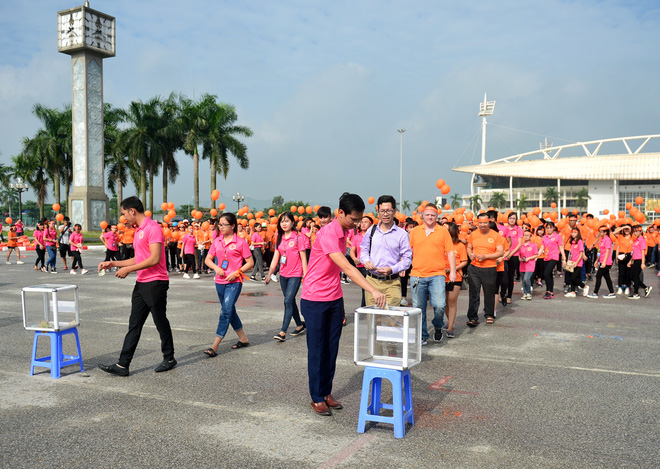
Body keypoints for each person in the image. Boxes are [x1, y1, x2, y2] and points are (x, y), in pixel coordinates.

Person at [301, 193, 386, 416]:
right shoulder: (328, 233)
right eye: (354, 219)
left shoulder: (345, 231)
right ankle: (316, 397)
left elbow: (353, 259)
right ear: (340, 213)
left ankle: (326, 391)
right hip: (314, 298)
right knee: (317, 350)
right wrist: (373, 289)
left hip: (334, 298)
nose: (357, 224)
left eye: (360, 220)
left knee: (332, 348)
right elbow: (347, 269)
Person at [98, 196, 176, 376]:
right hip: (142, 283)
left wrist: (129, 270)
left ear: (132, 211)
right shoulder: (139, 230)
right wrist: (114, 264)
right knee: (134, 325)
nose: (124, 218)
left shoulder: (153, 228)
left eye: (124, 213)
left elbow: (155, 258)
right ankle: (122, 365)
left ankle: (169, 357)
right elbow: (139, 258)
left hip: (156, 283)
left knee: (160, 321)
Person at [203, 212, 254, 357]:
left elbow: (250, 262)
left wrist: (237, 272)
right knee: (230, 310)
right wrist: (216, 268)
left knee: (225, 311)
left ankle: (215, 345)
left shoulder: (241, 242)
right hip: (219, 281)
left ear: (232, 226)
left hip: (234, 282)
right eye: (219, 224)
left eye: (224, 224)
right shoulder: (217, 241)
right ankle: (243, 338)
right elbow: (208, 259)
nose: (221, 227)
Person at [408, 203, 456, 342]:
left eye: (433, 215)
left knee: (440, 305)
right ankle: (423, 336)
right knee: (419, 308)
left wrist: (452, 271)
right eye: (427, 215)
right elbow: (406, 251)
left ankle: (437, 326)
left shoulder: (443, 231)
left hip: (437, 274)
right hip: (417, 274)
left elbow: (450, 252)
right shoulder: (415, 231)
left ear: (437, 217)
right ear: (422, 216)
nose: (430, 217)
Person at [359, 195, 413, 308]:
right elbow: (363, 250)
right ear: (378, 211)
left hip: (392, 283)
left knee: (392, 320)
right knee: (373, 319)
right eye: (382, 211)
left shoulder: (402, 234)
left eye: (388, 210)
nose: (385, 214)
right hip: (371, 281)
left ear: (394, 211)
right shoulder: (371, 230)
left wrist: (392, 269)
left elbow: (407, 259)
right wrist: (366, 261)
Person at [265, 212, 307, 341]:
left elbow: (304, 259)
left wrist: (306, 276)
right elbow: (275, 258)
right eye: (282, 221)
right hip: (283, 275)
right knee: (290, 301)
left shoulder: (298, 238)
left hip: (295, 274)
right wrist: (269, 274)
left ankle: (283, 331)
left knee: (288, 301)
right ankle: (300, 325)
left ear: (293, 223)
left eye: (287, 221)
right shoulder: (279, 237)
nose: (284, 223)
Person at [466, 212, 504, 326]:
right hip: (474, 267)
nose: (482, 225)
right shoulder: (474, 234)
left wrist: (486, 256)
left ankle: (489, 314)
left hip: (489, 268)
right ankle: (472, 317)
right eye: (480, 222)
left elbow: (500, 252)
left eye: (485, 222)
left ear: (489, 222)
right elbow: (469, 247)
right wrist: (470, 254)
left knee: (489, 292)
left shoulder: (495, 235)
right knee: (474, 292)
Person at [444, 222, 467, 338]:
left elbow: (464, 261)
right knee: (443, 302)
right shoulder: (440, 244)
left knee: (452, 301)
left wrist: (452, 269)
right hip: (441, 277)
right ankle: (450, 321)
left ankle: (450, 328)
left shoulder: (460, 246)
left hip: (455, 277)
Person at [587, 224, 616, 299]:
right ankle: (612, 292)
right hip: (602, 260)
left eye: (601, 232)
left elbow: (607, 251)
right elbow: (600, 252)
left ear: (605, 232)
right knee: (607, 277)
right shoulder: (602, 239)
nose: (599, 233)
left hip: (606, 262)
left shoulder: (607, 240)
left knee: (598, 276)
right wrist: (597, 261)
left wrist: (604, 262)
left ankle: (595, 292)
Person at [350, 215, 373, 307]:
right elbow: (352, 251)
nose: (363, 224)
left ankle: (366, 307)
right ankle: (364, 308)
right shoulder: (356, 237)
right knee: (365, 289)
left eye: (366, 222)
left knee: (368, 289)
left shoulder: (373, 236)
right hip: (360, 266)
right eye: (362, 222)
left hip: (371, 266)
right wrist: (354, 259)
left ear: (371, 225)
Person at [538, 222, 565, 299]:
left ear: (553, 228)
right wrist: (537, 256)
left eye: (550, 227)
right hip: (546, 257)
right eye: (548, 228)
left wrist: (564, 257)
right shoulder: (545, 237)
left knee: (546, 273)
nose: (549, 229)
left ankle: (549, 290)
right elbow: (542, 247)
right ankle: (549, 291)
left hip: (554, 257)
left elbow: (560, 247)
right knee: (549, 274)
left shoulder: (557, 236)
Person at [503, 212, 522, 303]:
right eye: (510, 218)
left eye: (514, 218)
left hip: (514, 255)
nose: (512, 220)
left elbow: (519, 244)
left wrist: (511, 254)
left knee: (510, 276)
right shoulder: (504, 229)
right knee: (503, 276)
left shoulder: (518, 229)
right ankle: (502, 294)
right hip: (504, 255)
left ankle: (509, 296)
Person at [628, 225, 651, 299]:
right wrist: (630, 261)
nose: (635, 233)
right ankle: (646, 287)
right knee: (632, 276)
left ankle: (636, 293)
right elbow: (634, 252)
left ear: (641, 231)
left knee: (635, 277)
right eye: (634, 232)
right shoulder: (636, 240)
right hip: (635, 259)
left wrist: (643, 263)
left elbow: (643, 252)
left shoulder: (642, 240)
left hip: (639, 260)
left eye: (636, 231)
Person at [564, 228, 588, 297]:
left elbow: (581, 253)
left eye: (575, 232)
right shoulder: (572, 242)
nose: (573, 234)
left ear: (578, 233)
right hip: (571, 261)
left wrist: (577, 262)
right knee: (571, 276)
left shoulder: (580, 241)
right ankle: (572, 291)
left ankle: (584, 286)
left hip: (578, 263)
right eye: (572, 232)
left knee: (574, 277)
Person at [519, 229, 539, 300]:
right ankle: (525, 293)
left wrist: (529, 258)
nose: (526, 237)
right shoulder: (520, 245)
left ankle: (528, 292)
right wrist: (519, 258)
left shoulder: (533, 245)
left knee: (526, 279)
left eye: (527, 235)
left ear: (530, 236)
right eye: (525, 235)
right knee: (523, 280)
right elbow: (518, 254)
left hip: (530, 264)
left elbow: (536, 254)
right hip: (522, 265)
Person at [613, 225, 633, 295]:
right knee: (621, 273)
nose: (626, 231)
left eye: (628, 229)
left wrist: (629, 228)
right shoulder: (620, 236)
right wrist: (623, 228)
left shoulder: (633, 237)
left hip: (629, 255)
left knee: (628, 273)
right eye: (625, 230)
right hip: (621, 255)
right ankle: (620, 287)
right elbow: (613, 233)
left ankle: (627, 287)